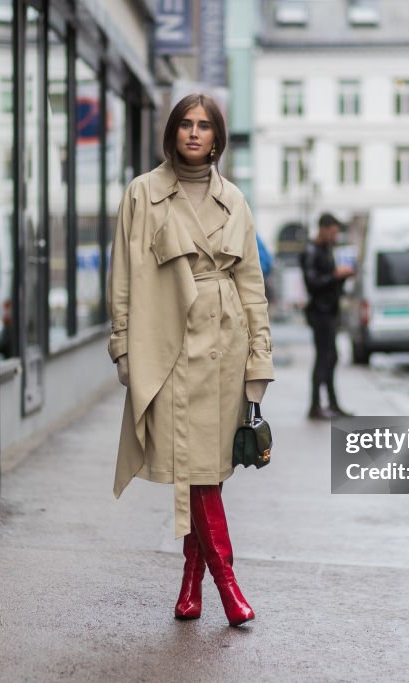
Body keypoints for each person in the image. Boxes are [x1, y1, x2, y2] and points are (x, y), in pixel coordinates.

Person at [106, 93, 273, 627]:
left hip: (226, 345)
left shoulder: (236, 201)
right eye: (185, 124)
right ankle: (228, 586)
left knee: (209, 471)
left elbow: (252, 285)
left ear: (219, 138)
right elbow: (123, 277)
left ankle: (189, 585)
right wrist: (124, 345)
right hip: (171, 342)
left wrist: (259, 361)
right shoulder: (143, 193)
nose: (194, 133)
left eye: (204, 126)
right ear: (172, 132)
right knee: (199, 469)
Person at [300, 213, 354, 419]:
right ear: (323, 229)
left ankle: (331, 403)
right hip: (319, 312)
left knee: (331, 357)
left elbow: (328, 282)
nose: (335, 237)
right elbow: (312, 283)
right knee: (324, 357)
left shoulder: (325, 249)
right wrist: (336, 276)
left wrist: (341, 278)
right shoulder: (311, 251)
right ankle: (315, 405)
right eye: (332, 233)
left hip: (329, 310)